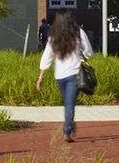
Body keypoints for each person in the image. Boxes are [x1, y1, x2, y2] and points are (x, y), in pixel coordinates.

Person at [36, 8, 94, 143]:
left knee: (68, 103)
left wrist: (41, 77)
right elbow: (89, 53)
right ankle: (67, 131)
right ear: (70, 19)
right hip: (74, 74)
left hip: (60, 76)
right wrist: (82, 53)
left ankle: (69, 128)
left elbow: (46, 58)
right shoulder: (79, 33)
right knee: (70, 103)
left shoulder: (53, 36)